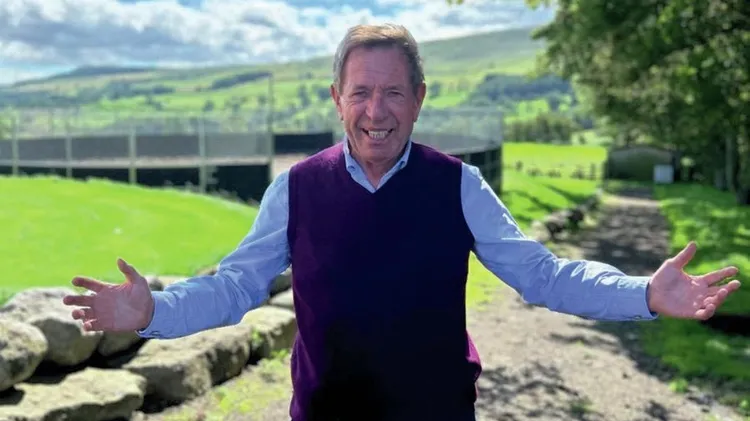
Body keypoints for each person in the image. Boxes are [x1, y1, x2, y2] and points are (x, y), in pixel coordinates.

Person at [63, 23, 741, 421]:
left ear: (419, 99)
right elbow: (235, 287)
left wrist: (643, 294)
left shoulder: (459, 186)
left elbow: (544, 276)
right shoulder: (296, 188)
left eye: (393, 92)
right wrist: (154, 312)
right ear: (337, 99)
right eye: (361, 92)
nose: (376, 110)